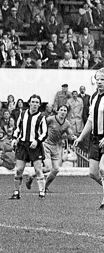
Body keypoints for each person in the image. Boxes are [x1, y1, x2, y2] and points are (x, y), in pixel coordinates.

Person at [72, 68, 104, 209]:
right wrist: (80, 137)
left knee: (103, 169)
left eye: (102, 79)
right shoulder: (93, 97)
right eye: (97, 79)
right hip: (95, 139)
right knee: (93, 173)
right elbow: (90, 120)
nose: (99, 82)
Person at [8, 96, 47, 200]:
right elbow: (17, 128)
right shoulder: (22, 114)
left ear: (39, 105)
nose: (34, 104)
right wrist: (14, 138)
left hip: (35, 146)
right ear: (29, 103)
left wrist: (37, 141)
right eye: (33, 102)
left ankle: (41, 193)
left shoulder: (41, 117)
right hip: (22, 145)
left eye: (37, 102)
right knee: (19, 169)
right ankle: (16, 192)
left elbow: (44, 133)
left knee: (38, 169)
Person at [31, 105, 75, 194]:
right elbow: (41, 126)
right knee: (48, 168)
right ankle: (32, 175)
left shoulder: (66, 123)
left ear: (66, 112)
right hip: (46, 144)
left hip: (56, 147)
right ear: (57, 111)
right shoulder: (50, 119)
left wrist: (73, 137)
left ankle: (45, 187)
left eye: (65, 110)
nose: (63, 112)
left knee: (56, 169)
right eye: (61, 110)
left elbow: (70, 134)